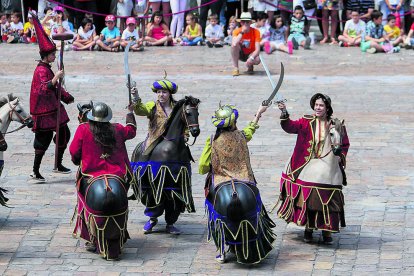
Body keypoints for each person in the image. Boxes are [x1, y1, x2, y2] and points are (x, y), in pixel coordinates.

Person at [199, 103, 276, 264]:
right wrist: (258, 113)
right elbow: (250, 130)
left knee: (214, 211)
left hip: (221, 181)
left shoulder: (212, 140)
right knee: (256, 203)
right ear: (233, 123)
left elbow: (202, 167)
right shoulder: (241, 136)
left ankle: (221, 251)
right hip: (244, 179)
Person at [276, 93, 350, 244]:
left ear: (327, 107)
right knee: (309, 195)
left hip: (328, 161)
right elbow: (290, 127)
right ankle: (308, 227)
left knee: (332, 193)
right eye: (316, 105)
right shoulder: (306, 122)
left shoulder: (336, 124)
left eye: (321, 105)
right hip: (306, 161)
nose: (318, 108)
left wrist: (339, 155)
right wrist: (284, 112)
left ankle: (327, 229)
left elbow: (344, 143)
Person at [70, 102, 136, 260]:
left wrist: (77, 160)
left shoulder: (83, 129)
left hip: (91, 175)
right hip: (117, 175)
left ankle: (91, 238)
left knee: (83, 200)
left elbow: (74, 152)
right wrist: (130, 113)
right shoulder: (118, 128)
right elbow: (131, 131)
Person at [131, 78, 190, 235]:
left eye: (164, 92)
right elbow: (140, 110)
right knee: (146, 169)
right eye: (158, 92)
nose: (161, 95)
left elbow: (186, 124)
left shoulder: (178, 108)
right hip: (154, 142)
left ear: (170, 94)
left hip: (174, 146)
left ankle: (171, 222)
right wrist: (136, 97)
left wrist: (185, 135)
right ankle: (151, 217)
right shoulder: (152, 106)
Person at [29, 12, 75, 183]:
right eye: (53, 55)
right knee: (44, 139)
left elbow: (56, 88)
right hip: (43, 111)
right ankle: (35, 171)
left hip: (54, 108)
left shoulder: (47, 68)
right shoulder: (41, 70)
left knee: (64, 133)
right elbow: (43, 88)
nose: (55, 57)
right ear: (46, 56)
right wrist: (56, 77)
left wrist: (67, 97)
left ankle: (58, 163)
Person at [230, 12, 261, 77]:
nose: (245, 24)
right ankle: (236, 68)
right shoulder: (236, 31)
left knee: (257, 59)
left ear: (250, 23)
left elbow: (258, 49)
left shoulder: (256, 31)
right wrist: (242, 32)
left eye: (247, 22)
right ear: (240, 22)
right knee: (233, 46)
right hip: (240, 53)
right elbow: (234, 43)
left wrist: (251, 58)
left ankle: (250, 65)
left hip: (250, 53)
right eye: (243, 22)